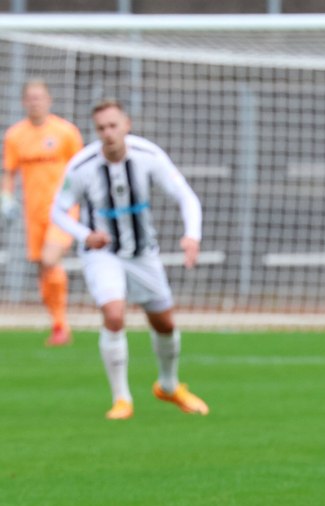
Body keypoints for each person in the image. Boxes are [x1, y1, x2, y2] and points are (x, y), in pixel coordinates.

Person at [50, 99, 209, 420]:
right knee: (114, 314)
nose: (108, 133)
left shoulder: (149, 156)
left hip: (142, 254)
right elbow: (57, 210)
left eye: (113, 126)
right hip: (103, 254)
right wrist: (85, 235)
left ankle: (168, 385)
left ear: (127, 125)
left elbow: (185, 195)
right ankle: (122, 398)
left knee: (164, 323)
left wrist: (192, 234)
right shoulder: (82, 166)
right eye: (101, 128)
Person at [3, 80, 84, 346]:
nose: (35, 102)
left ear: (48, 100)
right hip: (33, 212)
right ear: (24, 102)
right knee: (43, 268)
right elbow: (9, 172)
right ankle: (59, 324)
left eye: (39, 97)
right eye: (30, 98)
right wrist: (6, 197)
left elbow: (83, 168)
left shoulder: (66, 132)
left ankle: (61, 325)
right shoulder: (15, 136)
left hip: (63, 209)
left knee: (50, 260)